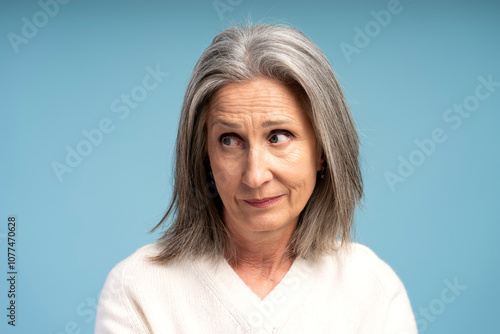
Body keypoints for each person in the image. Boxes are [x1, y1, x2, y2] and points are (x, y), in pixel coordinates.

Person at [95, 23, 418, 333]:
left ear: (323, 150)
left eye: (278, 137)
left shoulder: (372, 287)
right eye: (230, 140)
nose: (255, 175)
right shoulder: (138, 288)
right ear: (204, 155)